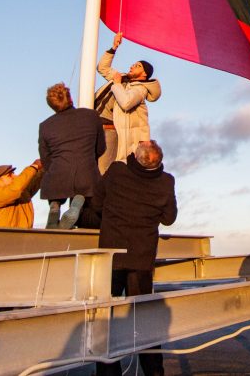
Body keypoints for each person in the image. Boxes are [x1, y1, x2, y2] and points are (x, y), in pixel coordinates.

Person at [91, 140, 177, 376]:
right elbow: (169, 218)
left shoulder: (117, 171)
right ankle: (153, 372)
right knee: (144, 321)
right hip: (141, 260)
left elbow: (97, 202)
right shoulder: (166, 181)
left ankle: (108, 372)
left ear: (137, 156)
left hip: (112, 258)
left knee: (106, 318)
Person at [38, 82, 105, 229]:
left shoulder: (45, 126)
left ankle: (55, 205)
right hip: (86, 173)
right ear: (70, 98)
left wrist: (54, 168)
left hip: (57, 176)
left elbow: (45, 157)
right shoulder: (91, 116)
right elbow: (101, 147)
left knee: (58, 188)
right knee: (83, 192)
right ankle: (77, 202)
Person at [96, 32, 161, 172]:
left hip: (108, 129)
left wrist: (117, 84)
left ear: (144, 74)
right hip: (94, 124)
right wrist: (113, 48)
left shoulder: (140, 90)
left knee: (103, 170)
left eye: (137, 66)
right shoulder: (123, 78)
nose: (132, 66)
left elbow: (126, 102)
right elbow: (102, 68)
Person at [0, 159, 43, 228]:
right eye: (10, 175)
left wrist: (45, 166)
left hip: (22, 237)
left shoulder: (22, 193)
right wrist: (33, 167)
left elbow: (36, 180)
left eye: (13, 173)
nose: (15, 176)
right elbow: (14, 189)